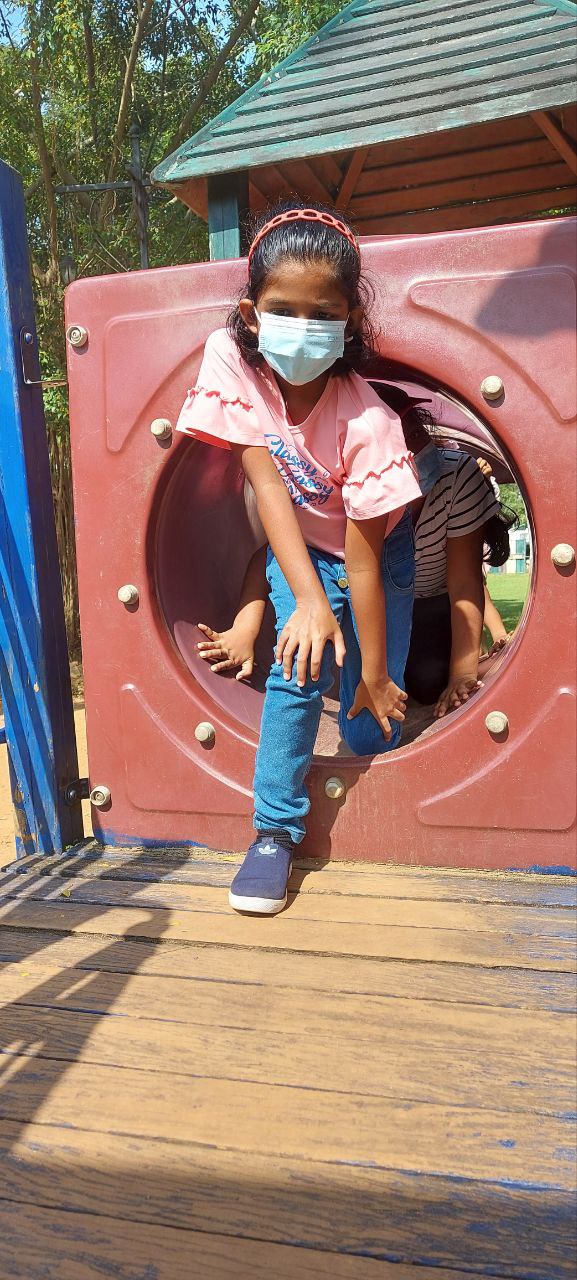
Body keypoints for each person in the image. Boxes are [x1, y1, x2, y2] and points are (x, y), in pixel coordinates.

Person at [177, 201, 421, 914]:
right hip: (301, 548)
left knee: (366, 712)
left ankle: (382, 763)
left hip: (378, 547)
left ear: (349, 320)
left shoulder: (368, 421)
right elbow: (264, 482)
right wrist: (307, 601)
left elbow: (367, 563)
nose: (305, 327)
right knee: (297, 668)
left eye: (325, 312)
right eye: (284, 308)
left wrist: (372, 673)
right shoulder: (232, 360)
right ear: (251, 313)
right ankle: (273, 835)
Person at [374, 387, 514, 717]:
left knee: (428, 683)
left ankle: (484, 663)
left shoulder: (456, 476)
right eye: (398, 438)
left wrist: (461, 674)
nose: (414, 447)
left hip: (432, 598)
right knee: (396, 683)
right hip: (381, 602)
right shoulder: (357, 489)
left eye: (416, 431)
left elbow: (465, 583)